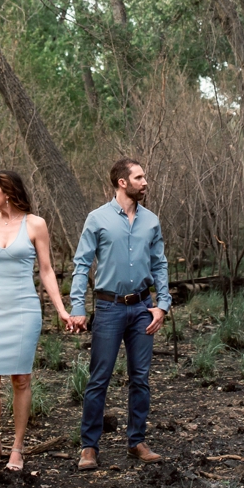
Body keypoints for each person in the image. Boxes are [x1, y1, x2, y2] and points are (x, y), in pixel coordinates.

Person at [67, 158, 171, 471]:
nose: (146, 182)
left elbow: (160, 264)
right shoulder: (97, 218)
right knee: (99, 379)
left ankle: (136, 441)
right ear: (122, 182)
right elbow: (82, 264)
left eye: (145, 176)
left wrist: (162, 304)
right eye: (139, 177)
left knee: (140, 378)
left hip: (142, 309)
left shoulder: (151, 221)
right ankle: (89, 447)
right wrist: (77, 306)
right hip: (109, 308)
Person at [0, 170, 72, 472]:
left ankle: (17, 447)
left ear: (8, 190)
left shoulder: (35, 224)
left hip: (24, 311)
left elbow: (46, 270)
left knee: (20, 379)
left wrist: (61, 310)